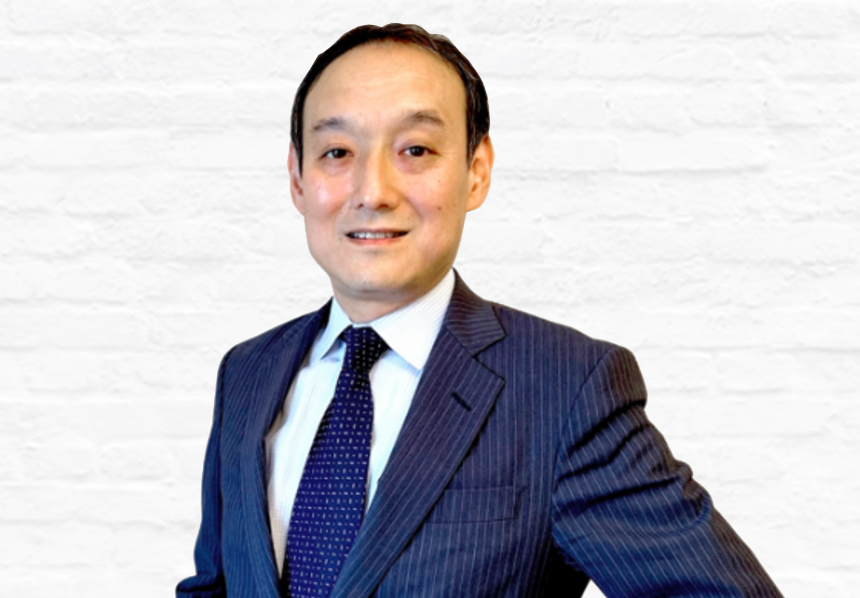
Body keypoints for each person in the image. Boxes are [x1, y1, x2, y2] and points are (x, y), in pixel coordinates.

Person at [177, 24, 783, 598]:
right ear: (298, 178)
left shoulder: (565, 388)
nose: (372, 191)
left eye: (415, 149)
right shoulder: (248, 373)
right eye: (336, 151)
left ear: (476, 171)